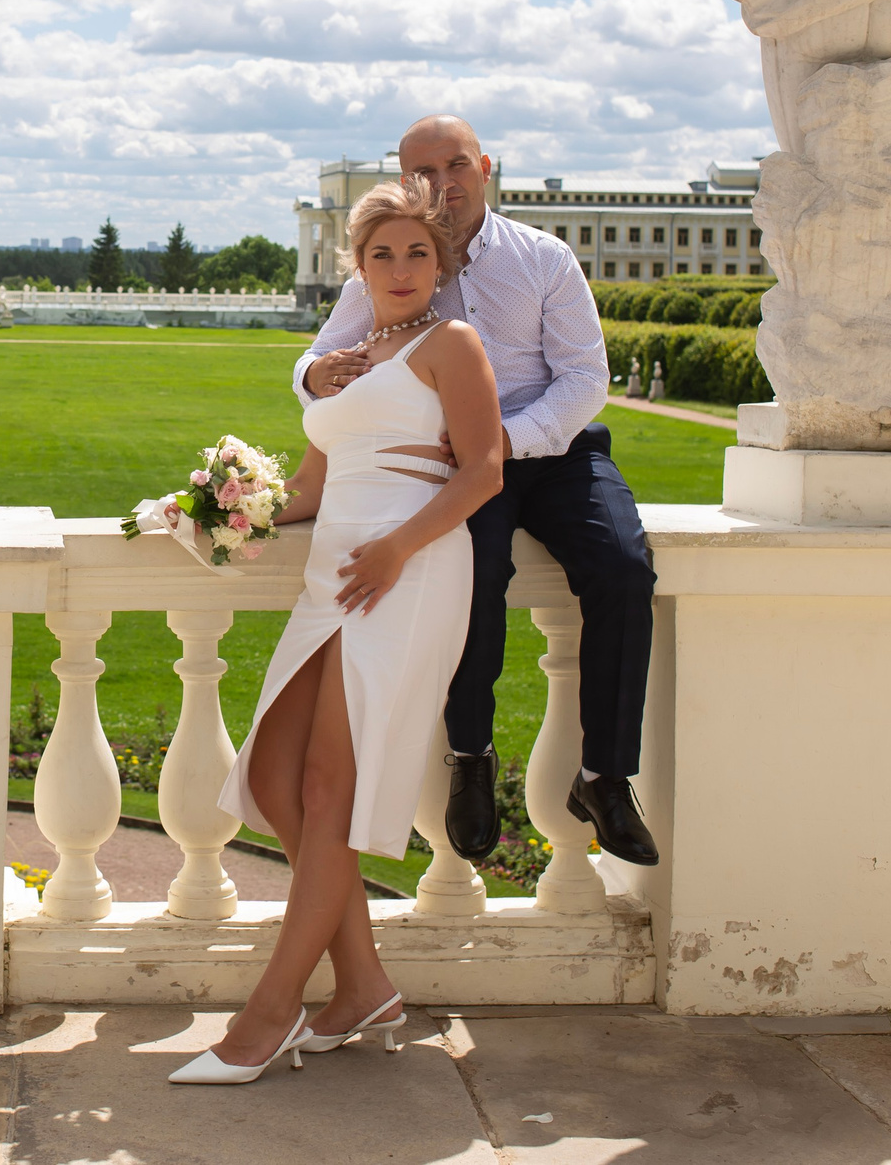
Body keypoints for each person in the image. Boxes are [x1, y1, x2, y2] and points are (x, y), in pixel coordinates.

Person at [172, 174, 505, 1085]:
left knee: (328, 787)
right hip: (334, 576)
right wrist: (211, 513)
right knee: (276, 778)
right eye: (381, 253)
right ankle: (361, 984)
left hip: (409, 569)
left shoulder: (453, 343)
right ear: (356, 266)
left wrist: (398, 549)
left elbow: (483, 472)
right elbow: (314, 491)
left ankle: (269, 1014)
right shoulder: (352, 356)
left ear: (442, 264)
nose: (400, 269)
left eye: (418, 253)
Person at [295, 116, 659, 871]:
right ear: (402, 180)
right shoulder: (400, 260)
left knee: (624, 566)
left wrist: (495, 442)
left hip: (553, 450)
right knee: (476, 573)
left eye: (456, 165)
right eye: (422, 172)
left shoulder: (542, 258)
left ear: (487, 167)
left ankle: (606, 777)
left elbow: (586, 381)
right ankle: (471, 756)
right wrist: (311, 377)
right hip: (457, 467)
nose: (443, 184)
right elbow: (319, 358)